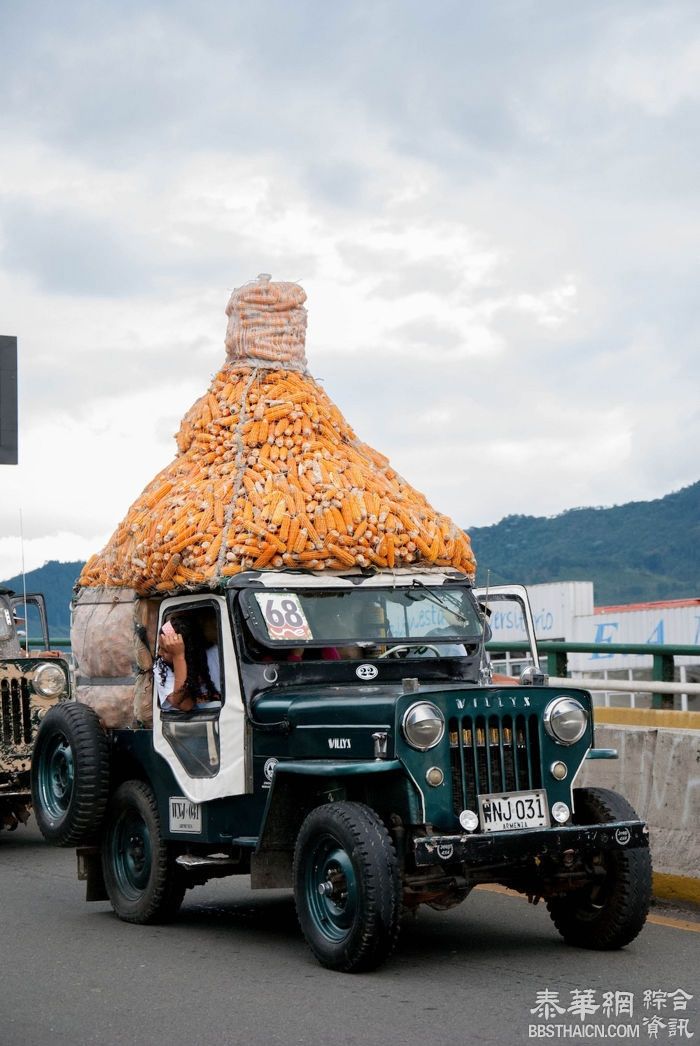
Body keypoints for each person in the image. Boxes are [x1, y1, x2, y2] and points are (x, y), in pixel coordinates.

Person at [154, 613, 221, 712]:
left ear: (188, 652)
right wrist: (178, 657)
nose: (159, 653)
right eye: (160, 647)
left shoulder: (213, 654)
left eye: (166, 650)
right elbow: (185, 705)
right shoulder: (161, 667)